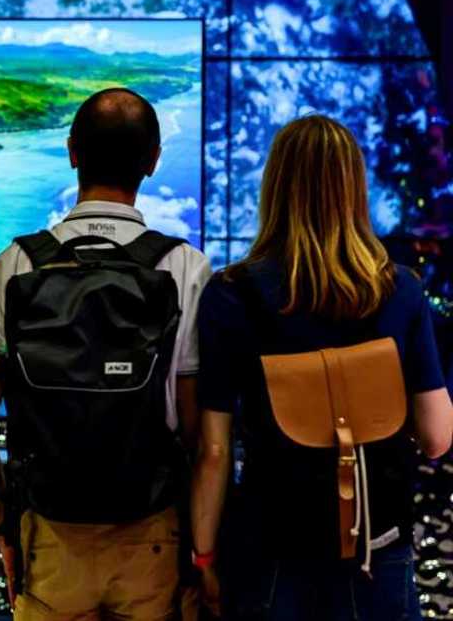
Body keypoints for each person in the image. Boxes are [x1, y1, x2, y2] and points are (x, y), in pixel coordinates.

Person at [0, 88, 211, 619]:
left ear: (72, 152)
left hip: (48, 532)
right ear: (153, 161)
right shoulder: (185, 268)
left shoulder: (18, 263)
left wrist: (5, 527)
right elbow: (195, 430)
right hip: (152, 534)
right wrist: (202, 547)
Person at [191, 114, 453, 620]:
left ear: (275, 188)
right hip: (379, 550)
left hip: (271, 552)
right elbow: (438, 436)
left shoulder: (231, 294)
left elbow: (214, 450)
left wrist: (204, 555)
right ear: (355, 188)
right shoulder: (401, 290)